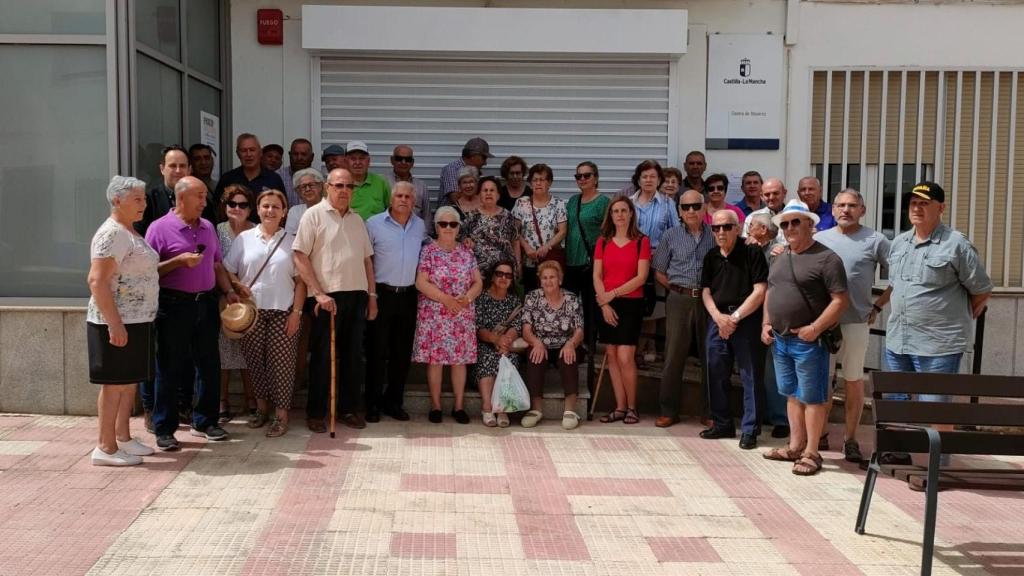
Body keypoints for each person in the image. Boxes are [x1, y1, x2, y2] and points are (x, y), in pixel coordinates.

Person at [880, 182, 992, 466]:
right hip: (899, 339)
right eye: (912, 203)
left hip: (938, 344)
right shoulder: (899, 243)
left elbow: (981, 288)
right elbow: (896, 285)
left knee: (936, 407)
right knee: (896, 401)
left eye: (924, 203)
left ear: (940, 208)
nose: (916, 208)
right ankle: (898, 454)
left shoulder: (956, 244)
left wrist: (959, 315)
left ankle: (936, 467)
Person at [145, 176, 237, 450]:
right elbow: (149, 271)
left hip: (205, 303)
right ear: (181, 198)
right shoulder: (159, 228)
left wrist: (229, 291)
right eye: (198, 196)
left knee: (209, 364)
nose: (203, 201)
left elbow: (217, 264)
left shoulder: (208, 226)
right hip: (173, 305)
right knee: (170, 367)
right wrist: (178, 262)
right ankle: (164, 428)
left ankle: (205, 422)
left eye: (204, 196)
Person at [761, 199, 849, 476]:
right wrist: (766, 323)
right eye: (784, 224)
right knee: (791, 395)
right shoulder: (778, 255)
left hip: (809, 341)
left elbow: (840, 301)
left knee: (812, 398)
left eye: (795, 222)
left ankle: (812, 452)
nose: (789, 228)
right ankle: (795, 446)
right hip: (781, 338)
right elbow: (770, 291)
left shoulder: (827, 258)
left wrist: (816, 328)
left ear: (811, 224)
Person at [293, 168, 377, 432]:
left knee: (353, 357)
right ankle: (317, 412)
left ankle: (349, 409)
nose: (344, 191)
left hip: (356, 294)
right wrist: (318, 292)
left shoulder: (357, 219)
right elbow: (299, 256)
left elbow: (367, 260)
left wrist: (372, 296)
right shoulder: (313, 215)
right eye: (339, 185)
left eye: (349, 186)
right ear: (327, 186)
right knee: (321, 357)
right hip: (325, 297)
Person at [814, 189, 892, 462]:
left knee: (854, 381)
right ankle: (819, 434)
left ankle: (850, 439)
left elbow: (902, 273)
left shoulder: (876, 240)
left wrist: (879, 305)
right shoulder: (818, 239)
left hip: (856, 322)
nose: (846, 210)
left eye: (852, 205)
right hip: (822, 324)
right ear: (832, 210)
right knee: (821, 382)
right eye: (840, 205)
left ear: (863, 209)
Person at [87, 176, 159, 466]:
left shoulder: (129, 231)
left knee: (128, 382)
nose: (143, 204)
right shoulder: (112, 234)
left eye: (143, 198)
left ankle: (123, 438)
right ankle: (105, 446)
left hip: (138, 319)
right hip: (115, 322)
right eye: (137, 199)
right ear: (117, 200)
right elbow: (97, 280)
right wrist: (114, 323)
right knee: (113, 384)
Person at [224, 189, 306, 438]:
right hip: (252, 313)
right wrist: (236, 286)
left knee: (282, 365)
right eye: (265, 206)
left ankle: (281, 415)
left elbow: (301, 281)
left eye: (275, 207)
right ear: (258, 210)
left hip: (284, 311)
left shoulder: (293, 241)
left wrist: (297, 313)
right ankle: (261, 409)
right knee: (255, 363)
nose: (270, 211)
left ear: (284, 213)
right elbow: (227, 268)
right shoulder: (244, 239)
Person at [700, 210, 769, 449]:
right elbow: (706, 291)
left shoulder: (752, 252)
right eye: (716, 228)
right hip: (718, 320)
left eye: (727, 227)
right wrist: (719, 319)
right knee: (716, 372)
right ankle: (722, 424)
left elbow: (760, 290)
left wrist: (734, 318)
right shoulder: (710, 257)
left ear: (738, 228)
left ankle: (750, 430)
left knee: (751, 376)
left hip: (747, 320)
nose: (721, 232)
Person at [412, 206, 483, 424]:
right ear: (436, 227)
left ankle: (459, 406)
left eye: (453, 224)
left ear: (459, 227)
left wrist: (468, 298)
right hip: (435, 314)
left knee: (459, 361)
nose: (448, 228)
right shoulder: (428, 251)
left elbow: (478, 282)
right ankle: (436, 406)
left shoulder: (467, 252)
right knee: (436, 361)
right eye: (443, 224)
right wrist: (447, 300)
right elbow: (420, 282)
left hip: (461, 314)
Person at [365, 181, 428, 423]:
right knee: (376, 352)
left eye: (408, 197)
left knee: (402, 353)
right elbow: (366, 260)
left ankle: (394, 402)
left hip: (409, 296)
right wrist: (371, 296)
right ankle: (372, 404)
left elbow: (427, 247)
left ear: (414, 202)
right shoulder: (373, 224)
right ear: (391, 200)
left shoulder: (419, 225)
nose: (403, 200)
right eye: (399, 195)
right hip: (381, 294)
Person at [651, 190, 714, 428]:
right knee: (673, 356)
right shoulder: (670, 235)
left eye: (696, 206)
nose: (691, 211)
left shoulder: (715, 235)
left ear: (704, 207)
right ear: (679, 210)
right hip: (679, 299)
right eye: (685, 207)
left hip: (708, 300)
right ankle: (669, 410)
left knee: (711, 356)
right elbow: (659, 270)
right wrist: (677, 289)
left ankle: (709, 412)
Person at [594, 196, 651, 425]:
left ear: (631, 214)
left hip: (630, 302)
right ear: (610, 215)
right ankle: (619, 407)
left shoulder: (641, 241)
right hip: (606, 304)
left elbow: (641, 277)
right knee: (612, 355)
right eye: (615, 211)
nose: (619, 215)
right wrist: (604, 303)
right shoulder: (603, 241)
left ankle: (632, 407)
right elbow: (597, 275)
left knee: (626, 356)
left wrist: (613, 294)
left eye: (623, 210)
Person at [522, 261, 585, 430]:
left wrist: (571, 343)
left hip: (565, 343)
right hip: (540, 343)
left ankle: (570, 410)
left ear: (560, 280)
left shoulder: (571, 299)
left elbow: (579, 330)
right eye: (544, 278)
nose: (548, 281)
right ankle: (536, 409)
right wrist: (536, 342)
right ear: (540, 281)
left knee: (568, 357)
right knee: (535, 357)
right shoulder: (532, 298)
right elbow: (526, 329)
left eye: (552, 277)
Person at [746, 212, 790, 437]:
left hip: (771, 316)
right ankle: (759, 413)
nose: (748, 228)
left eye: (751, 225)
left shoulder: (777, 252)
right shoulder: (748, 248)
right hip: (749, 315)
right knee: (755, 367)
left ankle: (781, 418)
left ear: (763, 230)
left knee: (774, 370)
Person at [215, 185, 256, 423]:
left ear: (251, 208)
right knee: (223, 352)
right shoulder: (217, 230)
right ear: (225, 206)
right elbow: (217, 264)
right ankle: (222, 401)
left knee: (247, 352)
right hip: (224, 298)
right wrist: (231, 288)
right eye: (233, 204)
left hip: (250, 299)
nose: (237, 209)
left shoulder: (256, 231)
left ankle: (251, 399)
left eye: (243, 205)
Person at [564, 161, 609, 345]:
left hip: (591, 261)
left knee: (591, 305)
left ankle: (590, 344)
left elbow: (608, 232)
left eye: (586, 175)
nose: (582, 179)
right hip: (571, 260)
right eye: (578, 176)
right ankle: (570, 342)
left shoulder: (603, 202)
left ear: (596, 178)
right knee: (569, 304)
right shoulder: (573, 200)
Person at [475, 260, 521, 428]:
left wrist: (506, 341)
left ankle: (502, 409)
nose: (503, 278)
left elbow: (517, 325)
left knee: (508, 361)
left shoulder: (514, 301)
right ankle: (487, 407)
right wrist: (495, 339)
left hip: (507, 345)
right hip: (486, 343)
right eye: (499, 274)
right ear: (493, 276)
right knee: (487, 358)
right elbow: (479, 328)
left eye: (508, 275)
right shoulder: (482, 298)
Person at [137, 145, 216, 236]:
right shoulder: (147, 200)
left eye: (182, 166)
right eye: (173, 166)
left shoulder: (203, 201)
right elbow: (140, 239)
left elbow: (210, 236)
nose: (178, 171)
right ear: (162, 169)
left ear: (189, 169)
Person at [513, 164, 567, 293]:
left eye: (542, 180)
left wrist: (546, 246)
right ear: (530, 183)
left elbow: (563, 231)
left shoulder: (558, 204)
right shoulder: (522, 203)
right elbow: (515, 231)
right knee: (531, 296)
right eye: (535, 180)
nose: (538, 183)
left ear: (549, 183)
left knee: (551, 295)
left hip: (551, 262)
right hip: (529, 262)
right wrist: (527, 248)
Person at [215, 133, 286, 223]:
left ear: (260, 152)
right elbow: (218, 209)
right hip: (233, 234)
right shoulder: (228, 179)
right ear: (238, 154)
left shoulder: (274, 179)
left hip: (266, 234)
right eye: (244, 150)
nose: (248, 154)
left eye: (252, 150)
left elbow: (282, 209)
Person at [461, 176, 520, 275]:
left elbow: (515, 240)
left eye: (492, 190)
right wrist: (466, 241)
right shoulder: (472, 216)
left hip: (504, 272)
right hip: (478, 272)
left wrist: (518, 264)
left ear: (498, 195)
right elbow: (461, 239)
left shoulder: (507, 216)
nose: (488, 193)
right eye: (485, 190)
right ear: (479, 195)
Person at [383, 144, 432, 230]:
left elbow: (427, 216)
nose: (403, 162)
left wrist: (424, 236)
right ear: (392, 160)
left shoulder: (421, 186)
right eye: (399, 158)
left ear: (412, 163)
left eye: (408, 159)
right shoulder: (383, 182)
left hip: (415, 234)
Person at [346, 140, 391, 220]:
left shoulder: (381, 182)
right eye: (353, 159)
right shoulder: (340, 184)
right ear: (346, 162)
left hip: (377, 230)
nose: (357, 162)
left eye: (361, 158)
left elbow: (391, 209)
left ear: (368, 161)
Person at [439, 137, 491, 205]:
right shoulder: (453, 169)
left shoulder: (474, 171)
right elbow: (456, 199)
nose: (485, 163)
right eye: (484, 158)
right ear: (473, 156)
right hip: (450, 214)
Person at [285, 168, 325, 235]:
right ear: (298, 191)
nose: (307, 189)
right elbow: (289, 238)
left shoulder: (332, 208)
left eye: (311, 185)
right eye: (303, 187)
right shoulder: (295, 211)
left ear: (320, 186)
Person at [278, 138, 315, 207]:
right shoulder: (277, 177)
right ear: (289, 155)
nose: (299, 158)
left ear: (312, 157)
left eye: (303, 154)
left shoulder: (319, 179)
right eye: (295, 154)